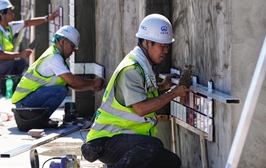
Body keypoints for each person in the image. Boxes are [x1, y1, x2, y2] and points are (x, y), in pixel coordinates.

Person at [81, 14, 191, 168]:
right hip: (106, 140)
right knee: (151, 145)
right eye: (162, 46)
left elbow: (139, 91)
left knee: (171, 162)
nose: (166, 51)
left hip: (123, 138)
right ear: (146, 43)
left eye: (167, 46)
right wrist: (173, 93)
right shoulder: (131, 69)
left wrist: (163, 86)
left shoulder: (141, 66)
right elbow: (141, 108)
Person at [11, 25, 105, 128]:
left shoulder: (56, 56)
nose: (73, 51)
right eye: (72, 46)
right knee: (60, 90)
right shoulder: (54, 58)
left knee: (62, 88)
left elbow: (70, 84)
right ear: (63, 41)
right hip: (24, 105)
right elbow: (72, 81)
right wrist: (93, 83)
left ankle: (41, 119)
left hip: (24, 104)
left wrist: (91, 87)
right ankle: (41, 120)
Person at [0, 0, 59, 94]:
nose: (12, 14)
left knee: (20, 62)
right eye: (10, 12)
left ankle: (7, 85)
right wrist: (20, 54)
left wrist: (47, 18)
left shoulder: (9, 27)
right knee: (10, 62)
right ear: (2, 15)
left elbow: (28, 23)